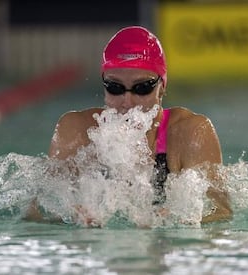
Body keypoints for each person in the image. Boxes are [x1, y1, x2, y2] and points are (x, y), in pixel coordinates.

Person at [26, 25, 232, 225]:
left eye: (142, 88)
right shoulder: (76, 131)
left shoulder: (191, 132)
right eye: (115, 87)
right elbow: (38, 209)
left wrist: (176, 220)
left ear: (162, 86)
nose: (127, 101)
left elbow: (221, 211)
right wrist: (70, 216)